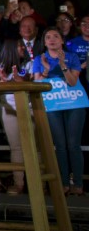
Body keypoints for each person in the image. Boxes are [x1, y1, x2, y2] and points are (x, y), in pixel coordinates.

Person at [33, 28, 84, 195]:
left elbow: (72, 82)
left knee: (73, 145)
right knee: (60, 146)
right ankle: (63, 183)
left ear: (62, 40)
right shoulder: (39, 59)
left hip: (74, 103)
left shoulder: (72, 57)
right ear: (44, 42)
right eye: (48, 37)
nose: (52, 39)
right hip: (52, 104)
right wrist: (46, 69)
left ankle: (78, 183)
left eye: (56, 36)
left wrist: (62, 64)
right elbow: (37, 84)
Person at [0, 39, 33, 195]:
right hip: (8, 110)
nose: (22, 47)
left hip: (29, 109)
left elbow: (29, 81)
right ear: (10, 49)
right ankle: (19, 184)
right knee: (16, 147)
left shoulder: (28, 65)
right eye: (19, 45)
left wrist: (19, 80)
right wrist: (3, 80)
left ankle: (39, 185)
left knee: (35, 147)